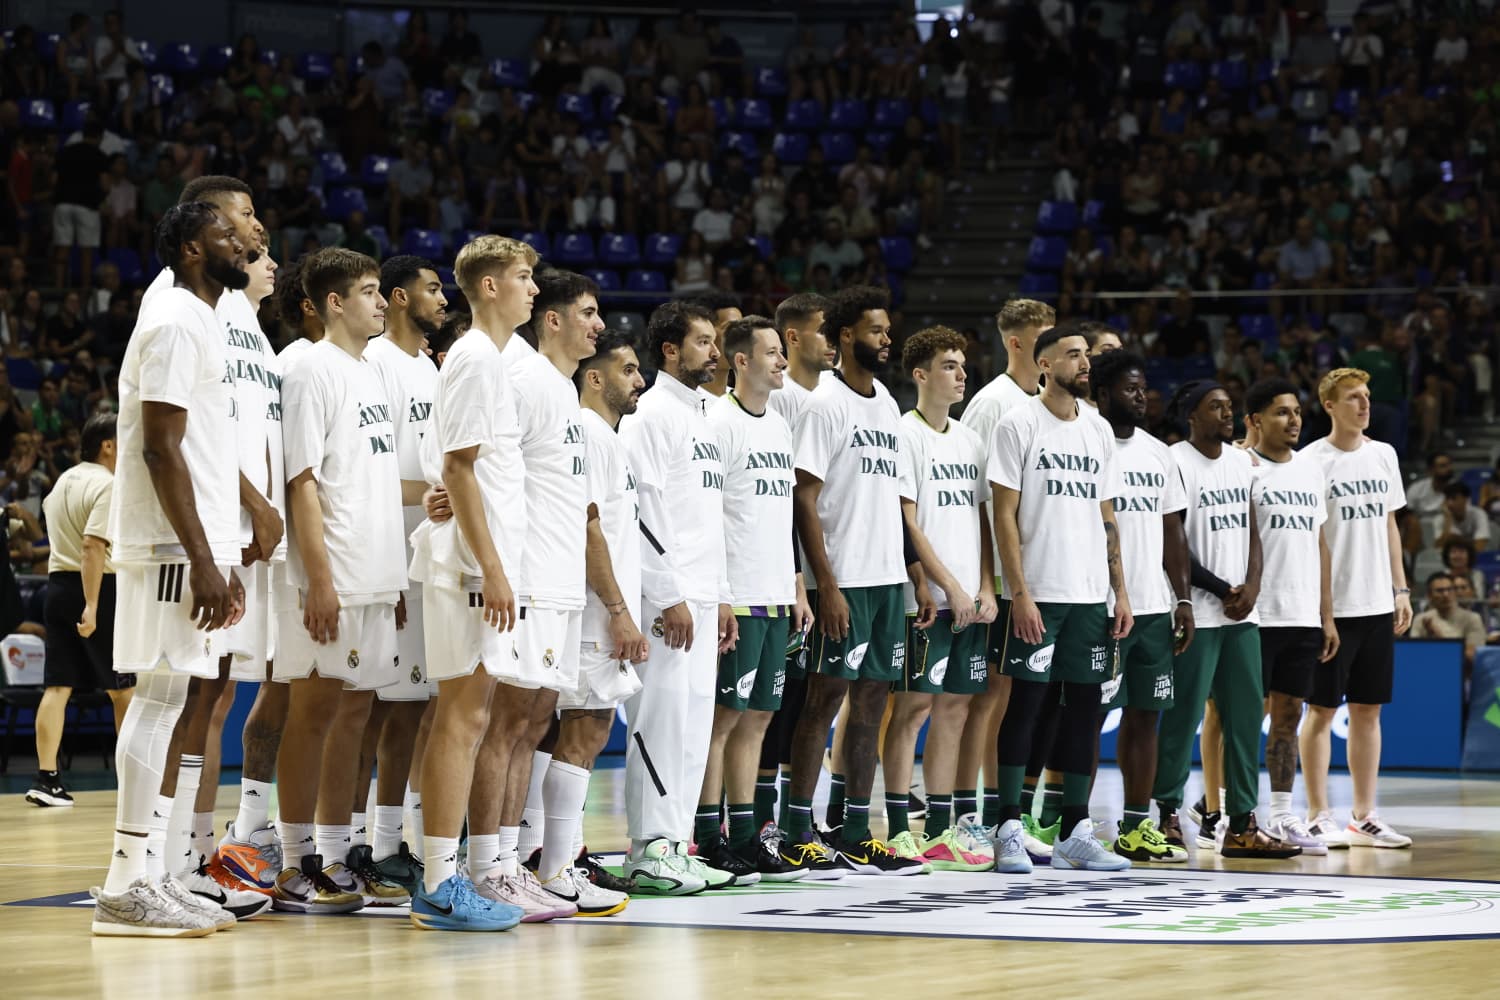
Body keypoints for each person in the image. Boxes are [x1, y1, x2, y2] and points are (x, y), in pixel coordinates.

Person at [90, 202, 252, 937]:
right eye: (226, 234)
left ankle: (148, 873)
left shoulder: (201, 319)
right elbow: (159, 446)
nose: (242, 242)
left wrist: (221, 551)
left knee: (169, 698)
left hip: (191, 544)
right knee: (156, 700)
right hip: (166, 546)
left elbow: (203, 453)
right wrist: (201, 556)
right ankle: (125, 883)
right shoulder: (175, 320)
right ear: (191, 248)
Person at [405, 235, 536, 931]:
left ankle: (442, 873)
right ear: (489, 286)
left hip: (478, 560)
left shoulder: (489, 359)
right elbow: (457, 468)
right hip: (468, 568)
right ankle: (437, 881)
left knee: (470, 717)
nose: (533, 289)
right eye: (522, 276)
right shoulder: (477, 359)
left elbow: (463, 473)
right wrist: (492, 567)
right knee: (461, 718)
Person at [271, 248, 408, 913]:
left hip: (375, 573)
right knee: (313, 713)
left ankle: (333, 854)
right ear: (334, 302)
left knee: (354, 713)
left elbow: (372, 480)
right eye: (370, 291)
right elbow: (301, 482)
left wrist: (395, 577)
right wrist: (318, 579)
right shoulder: (309, 369)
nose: (382, 302)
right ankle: (292, 861)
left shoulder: (370, 370)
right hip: (332, 573)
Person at [465, 269, 603, 922]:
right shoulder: (519, 376)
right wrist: (500, 569)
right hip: (526, 579)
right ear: (553, 319)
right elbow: (478, 470)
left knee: (534, 723)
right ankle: (485, 866)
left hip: (560, 580)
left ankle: (512, 862)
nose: (599, 325)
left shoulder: (563, 390)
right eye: (588, 312)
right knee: (506, 722)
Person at [786, 285, 923, 875]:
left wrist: (913, 576)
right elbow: (804, 499)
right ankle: (797, 828)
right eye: (875, 330)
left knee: (872, 703)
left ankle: (854, 830)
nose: (886, 339)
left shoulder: (887, 402)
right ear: (846, 336)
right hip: (842, 580)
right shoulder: (824, 404)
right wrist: (828, 585)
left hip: (887, 579)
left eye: (888, 330)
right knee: (823, 701)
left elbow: (893, 500)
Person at [987, 322, 1131, 874]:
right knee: (1027, 706)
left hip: (1089, 595)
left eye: (1085, 354)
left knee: (1084, 712)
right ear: (1044, 364)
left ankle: (1074, 830)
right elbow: (1003, 514)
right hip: (1039, 593)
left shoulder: (1097, 428)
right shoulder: (1017, 423)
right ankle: (1007, 828)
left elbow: (1106, 515)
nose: (1084, 363)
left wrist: (1120, 592)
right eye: (1072, 355)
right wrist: (1018, 594)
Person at [618, 299, 739, 893]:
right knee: (660, 720)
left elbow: (710, 517)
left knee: (694, 726)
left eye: (715, 341)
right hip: (666, 599)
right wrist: (668, 595)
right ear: (670, 350)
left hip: (703, 596)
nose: (715, 352)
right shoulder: (650, 414)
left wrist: (721, 597)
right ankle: (647, 849)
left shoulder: (708, 415)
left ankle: (677, 845)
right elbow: (642, 514)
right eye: (702, 342)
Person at [1155, 379, 1298, 859]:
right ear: (1191, 415)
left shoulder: (1242, 463)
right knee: (1183, 717)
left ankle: (1241, 824)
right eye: (1215, 407)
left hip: (1242, 615)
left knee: (1244, 722)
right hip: (1197, 611)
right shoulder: (1174, 461)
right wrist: (1219, 589)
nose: (1227, 414)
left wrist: (1252, 585)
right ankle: (1167, 815)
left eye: (1229, 407)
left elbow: (1254, 531)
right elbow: (1172, 543)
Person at [533, 328, 648, 914]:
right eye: (629, 370)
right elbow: (588, 529)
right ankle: (556, 868)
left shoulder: (607, 437)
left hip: (594, 607)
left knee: (569, 731)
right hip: (592, 610)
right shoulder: (589, 433)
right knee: (586, 727)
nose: (640, 380)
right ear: (595, 378)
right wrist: (619, 612)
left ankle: (545, 857)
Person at [694, 315, 812, 882]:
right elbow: (708, 516)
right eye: (771, 353)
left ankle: (746, 837)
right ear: (741, 361)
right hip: (736, 596)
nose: (782, 361)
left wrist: (796, 585)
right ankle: (706, 838)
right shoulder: (718, 423)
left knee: (760, 717)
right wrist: (719, 594)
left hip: (775, 594)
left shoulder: (780, 425)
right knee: (724, 719)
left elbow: (783, 515)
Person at [886, 326, 997, 872]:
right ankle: (897, 830)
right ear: (921, 374)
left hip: (970, 601)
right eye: (949, 366)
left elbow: (982, 519)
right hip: (926, 599)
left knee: (954, 710)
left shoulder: (970, 439)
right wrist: (945, 584)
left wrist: (986, 585)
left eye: (962, 365)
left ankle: (940, 830)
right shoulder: (904, 434)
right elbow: (907, 521)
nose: (960, 374)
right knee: (913, 710)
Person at [360, 255, 446, 896]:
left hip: (428, 557)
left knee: (414, 710)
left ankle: (392, 842)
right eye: (432, 288)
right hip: (387, 555)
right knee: (371, 710)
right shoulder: (376, 363)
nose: (442, 299)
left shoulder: (432, 368)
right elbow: (368, 473)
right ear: (397, 297)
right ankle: (352, 841)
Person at [1301, 367, 1414, 849]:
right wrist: (1322, 611)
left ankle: (1364, 816)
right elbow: (1311, 538)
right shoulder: (1311, 460)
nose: (1365, 404)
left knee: (1368, 711)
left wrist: (1400, 589)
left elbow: (1389, 525)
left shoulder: (1383, 454)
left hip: (1376, 603)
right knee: (1321, 711)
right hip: (1332, 608)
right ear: (1329, 405)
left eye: (1366, 396)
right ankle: (1316, 814)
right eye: (1353, 397)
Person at [1087, 350, 1192, 864]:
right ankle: (1073, 825)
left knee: (1146, 715)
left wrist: (1183, 599)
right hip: (1100, 605)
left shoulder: (1159, 453)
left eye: (1143, 388)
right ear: (1103, 394)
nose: (1141, 397)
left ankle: (1134, 825)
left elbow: (1173, 530)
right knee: (1087, 717)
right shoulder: (1087, 444)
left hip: (1153, 606)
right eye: (1129, 389)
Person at [953, 298, 1050, 846]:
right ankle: (972, 815)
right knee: (987, 696)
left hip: (1029, 576)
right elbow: (974, 499)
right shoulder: (992, 404)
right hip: (994, 577)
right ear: (1017, 343)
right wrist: (984, 579)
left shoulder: (1043, 404)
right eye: (1043, 337)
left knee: (1009, 697)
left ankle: (1001, 814)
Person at [1243, 377, 1338, 855]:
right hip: (1255, 616)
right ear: (1255, 420)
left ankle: (1281, 814)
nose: (1294, 420)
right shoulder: (1242, 468)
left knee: (1288, 718)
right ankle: (1230, 812)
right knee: (1241, 719)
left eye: (1297, 412)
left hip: (1301, 615)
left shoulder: (1311, 470)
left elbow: (1320, 545)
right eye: (1282, 412)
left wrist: (1327, 615)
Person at [758, 293, 833, 837]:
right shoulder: (780, 400)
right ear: (793, 336)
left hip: (815, 573)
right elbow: (783, 501)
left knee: (806, 696)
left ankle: (791, 820)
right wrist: (797, 576)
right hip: (784, 574)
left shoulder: (829, 399)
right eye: (824, 330)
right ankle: (758, 820)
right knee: (774, 700)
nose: (831, 342)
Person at [27, 414, 129, 808]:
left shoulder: (61, 483)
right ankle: (132, 783)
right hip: (97, 588)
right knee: (123, 689)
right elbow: (92, 545)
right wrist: (93, 604)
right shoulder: (108, 484)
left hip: (57, 587)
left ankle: (47, 779)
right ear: (107, 445)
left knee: (57, 688)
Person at [1410, 572, 1486, 668]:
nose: (1446, 594)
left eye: (1449, 589)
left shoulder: (1472, 618)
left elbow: (1472, 657)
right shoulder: (1421, 619)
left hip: (1461, 672)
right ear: (1429, 595)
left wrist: (1439, 638)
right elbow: (1413, 653)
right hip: (1426, 667)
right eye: (1440, 591)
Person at [1437, 481, 1490, 551]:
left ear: (1466, 499)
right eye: (1447, 499)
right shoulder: (1439, 519)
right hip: (1452, 556)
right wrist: (1447, 521)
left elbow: (1480, 546)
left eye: (1454, 498)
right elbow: (1439, 548)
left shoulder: (1479, 514)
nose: (1449, 503)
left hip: (1476, 556)